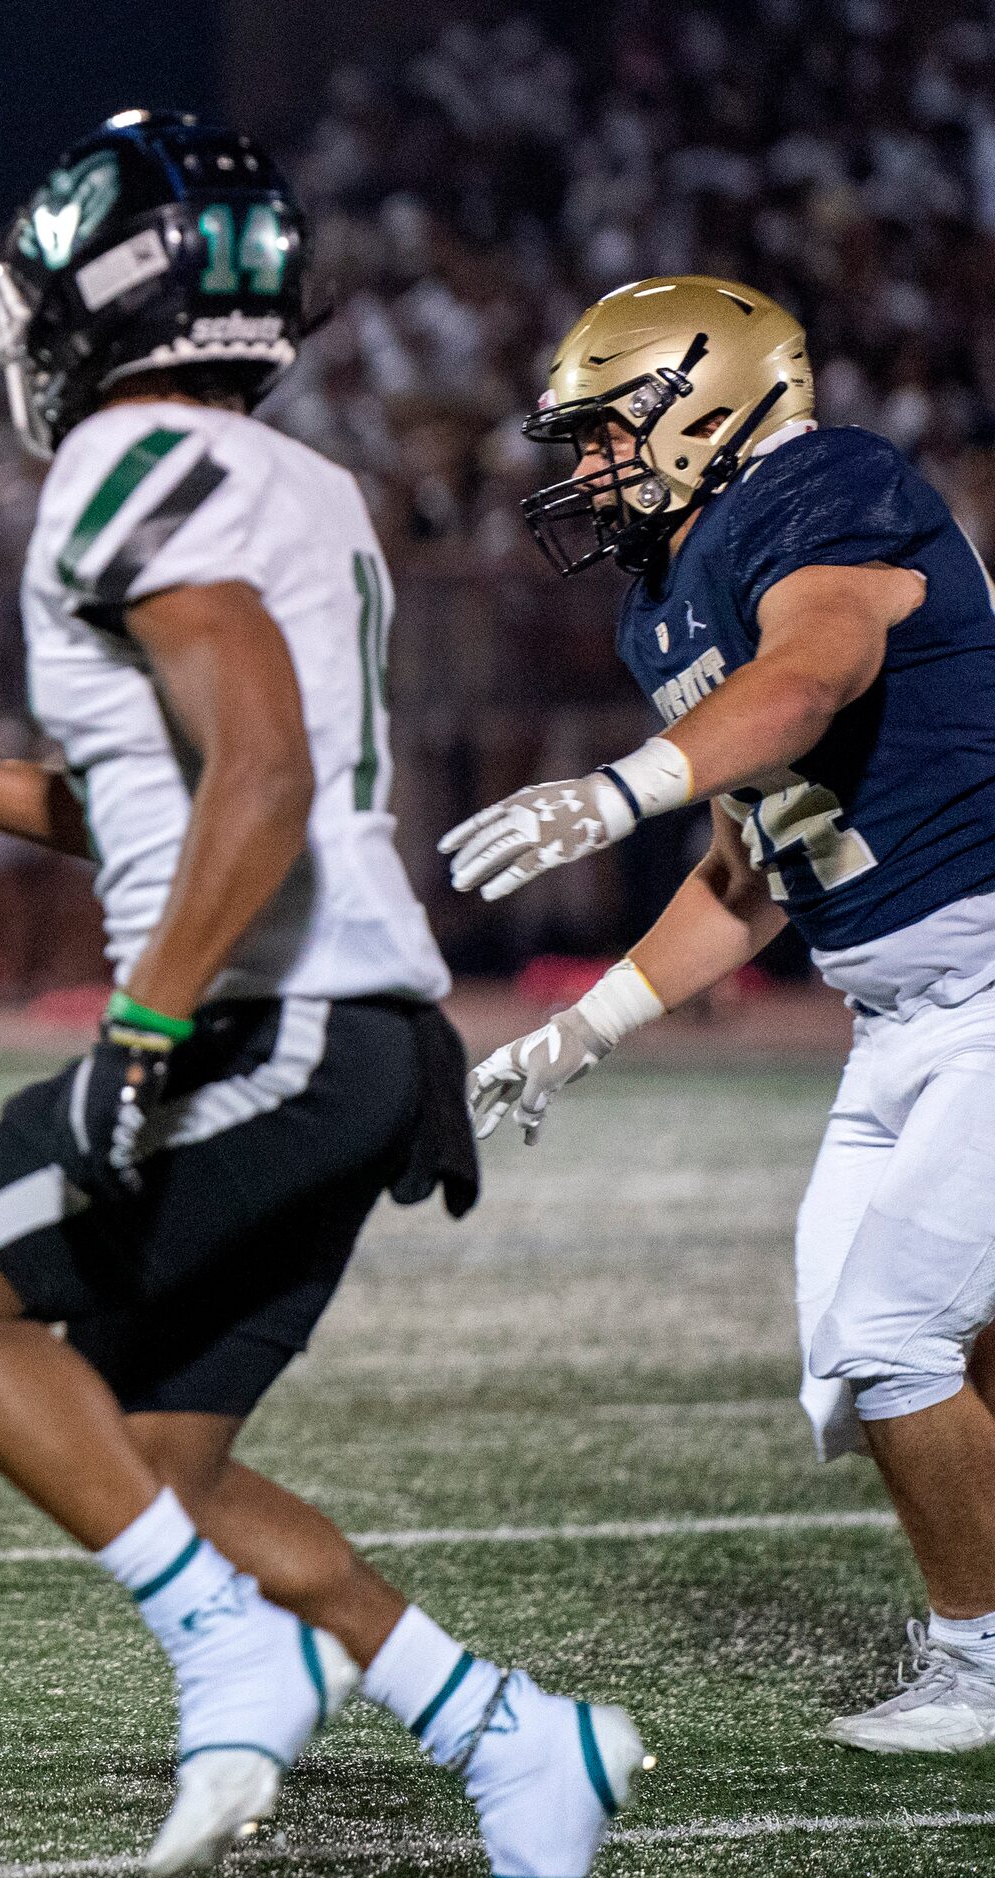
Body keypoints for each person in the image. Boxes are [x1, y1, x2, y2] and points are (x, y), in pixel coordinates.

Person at [0, 115, 641, 1874]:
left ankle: (236, 1653)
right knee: (166, 1462)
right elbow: (186, 785)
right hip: (355, 1020)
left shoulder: (121, 458)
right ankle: (515, 1736)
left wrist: (148, 1022)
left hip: (274, 1014)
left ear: (93, 292)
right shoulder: (294, 479)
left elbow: (263, 774)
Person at [454, 274, 995, 1755]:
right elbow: (751, 868)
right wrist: (586, 1022)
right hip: (896, 1017)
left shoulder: (825, 484)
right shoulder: (663, 601)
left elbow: (813, 676)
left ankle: (981, 1657)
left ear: (703, 400)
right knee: (867, 1347)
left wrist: (616, 784)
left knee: (895, 1333)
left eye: (600, 433)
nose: (579, 471)